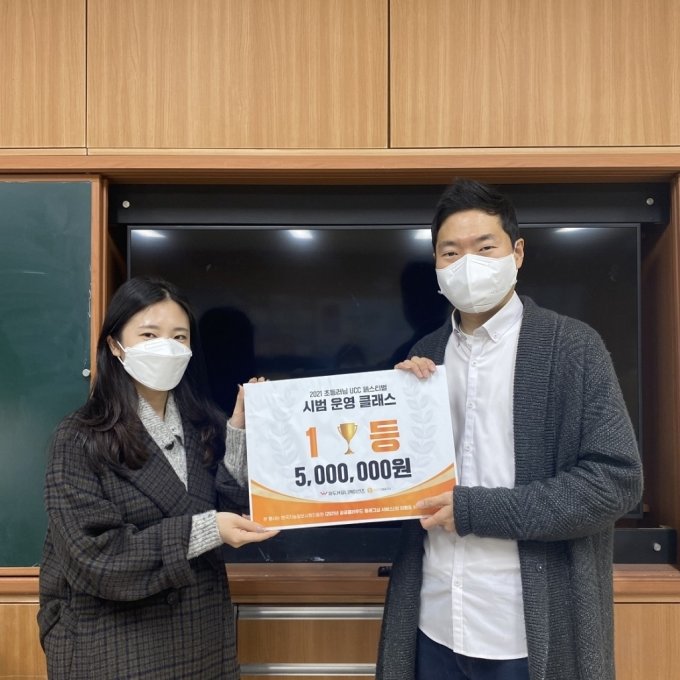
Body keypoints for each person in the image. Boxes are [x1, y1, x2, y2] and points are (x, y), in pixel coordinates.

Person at [376, 179, 643, 680]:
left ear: (517, 253)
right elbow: (397, 483)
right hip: (434, 619)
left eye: (484, 248)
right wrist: (391, 407)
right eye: (450, 252)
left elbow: (615, 483)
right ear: (436, 264)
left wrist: (476, 510)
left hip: (526, 628)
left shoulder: (573, 347)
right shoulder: (424, 356)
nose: (467, 264)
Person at [38, 276, 278, 679]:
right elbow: (96, 557)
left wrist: (237, 432)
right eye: (149, 334)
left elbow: (226, 513)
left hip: (201, 640)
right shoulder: (79, 437)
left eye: (179, 337)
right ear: (115, 345)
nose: (166, 347)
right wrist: (206, 530)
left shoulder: (202, 423)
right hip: (115, 647)